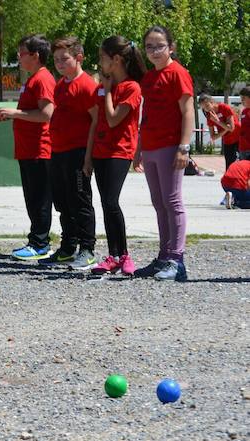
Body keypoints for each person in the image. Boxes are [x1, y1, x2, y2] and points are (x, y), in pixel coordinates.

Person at [133, 25, 195, 282]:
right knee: (159, 203)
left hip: (171, 146)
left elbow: (188, 111)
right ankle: (163, 256)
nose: (155, 51)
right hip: (150, 146)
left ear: (171, 47)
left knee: (173, 201)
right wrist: (138, 148)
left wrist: (184, 147)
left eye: (160, 46)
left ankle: (177, 260)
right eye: (150, 46)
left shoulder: (178, 73)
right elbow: (146, 115)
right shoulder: (149, 78)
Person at [39, 36, 98, 270]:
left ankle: (87, 248)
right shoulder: (60, 85)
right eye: (56, 60)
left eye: (65, 59)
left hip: (78, 152)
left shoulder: (86, 85)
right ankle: (67, 247)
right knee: (62, 202)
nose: (60, 64)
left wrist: (88, 157)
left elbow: (96, 120)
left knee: (81, 201)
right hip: (59, 151)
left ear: (79, 58)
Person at [0, 34, 55, 261]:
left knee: (39, 199)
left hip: (40, 148)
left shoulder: (42, 79)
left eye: (22, 53)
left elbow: (46, 114)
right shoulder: (32, 79)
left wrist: (14, 113)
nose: (18, 58)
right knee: (32, 198)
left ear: (35, 56)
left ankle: (40, 244)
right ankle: (36, 241)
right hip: (27, 149)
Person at [89, 36, 145, 276]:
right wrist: (88, 156)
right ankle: (113, 256)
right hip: (100, 151)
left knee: (112, 202)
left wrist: (109, 90)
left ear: (116, 60)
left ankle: (124, 255)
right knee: (105, 204)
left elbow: (113, 119)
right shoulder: (102, 87)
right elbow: (95, 120)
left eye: (103, 57)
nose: (100, 62)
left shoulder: (131, 87)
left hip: (119, 152)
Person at [198, 93, 239, 170]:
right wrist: (225, 129)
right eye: (204, 108)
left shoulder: (224, 107)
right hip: (228, 141)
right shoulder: (209, 117)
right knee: (229, 168)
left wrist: (218, 122)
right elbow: (213, 137)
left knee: (242, 164)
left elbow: (231, 128)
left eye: (207, 106)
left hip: (239, 138)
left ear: (212, 102)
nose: (207, 110)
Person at [238, 87, 250, 160]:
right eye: (241, 98)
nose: (241, 101)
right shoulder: (244, 111)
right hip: (243, 148)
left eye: (243, 98)